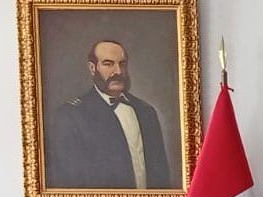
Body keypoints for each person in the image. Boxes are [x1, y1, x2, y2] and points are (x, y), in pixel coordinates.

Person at [46, 40, 172, 189]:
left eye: (122, 64)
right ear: (93, 68)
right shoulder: (71, 116)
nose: (118, 71)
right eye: (108, 64)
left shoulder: (146, 112)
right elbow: (70, 181)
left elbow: (161, 175)